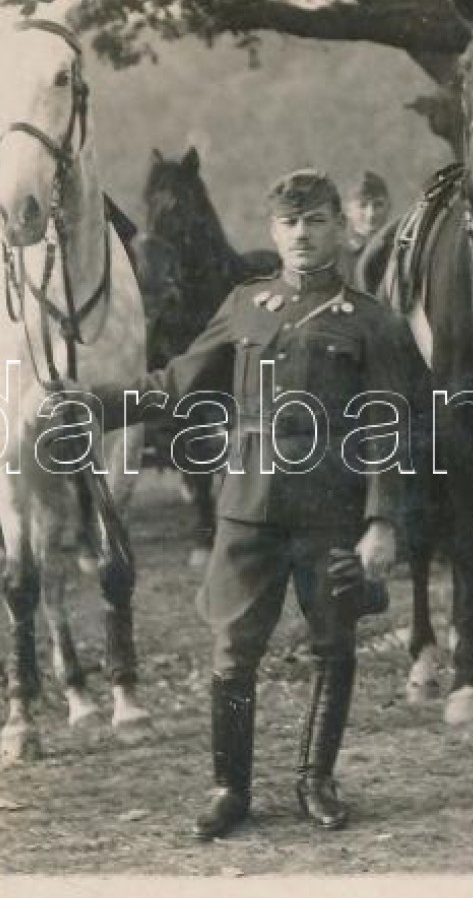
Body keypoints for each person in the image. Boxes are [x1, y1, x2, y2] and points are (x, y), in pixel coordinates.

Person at [76, 169, 419, 838]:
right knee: (232, 650)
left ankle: (314, 781)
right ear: (272, 231)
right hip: (248, 501)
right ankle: (228, 788)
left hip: (330, 507)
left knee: (332, 644)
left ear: (338, 228)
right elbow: (174, 382)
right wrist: (93, 402)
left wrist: (381, 520)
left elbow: (388, 426)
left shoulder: (373, 323)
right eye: (289, 223)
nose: (301, 235)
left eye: (315, 220)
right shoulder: (244, 305)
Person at [341, 171, 392, 286]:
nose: (371, 214)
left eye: (378, 205)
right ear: (347, 210)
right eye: (362, 205)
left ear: (389, 206)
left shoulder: (398, 253)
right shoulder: (337, 257)